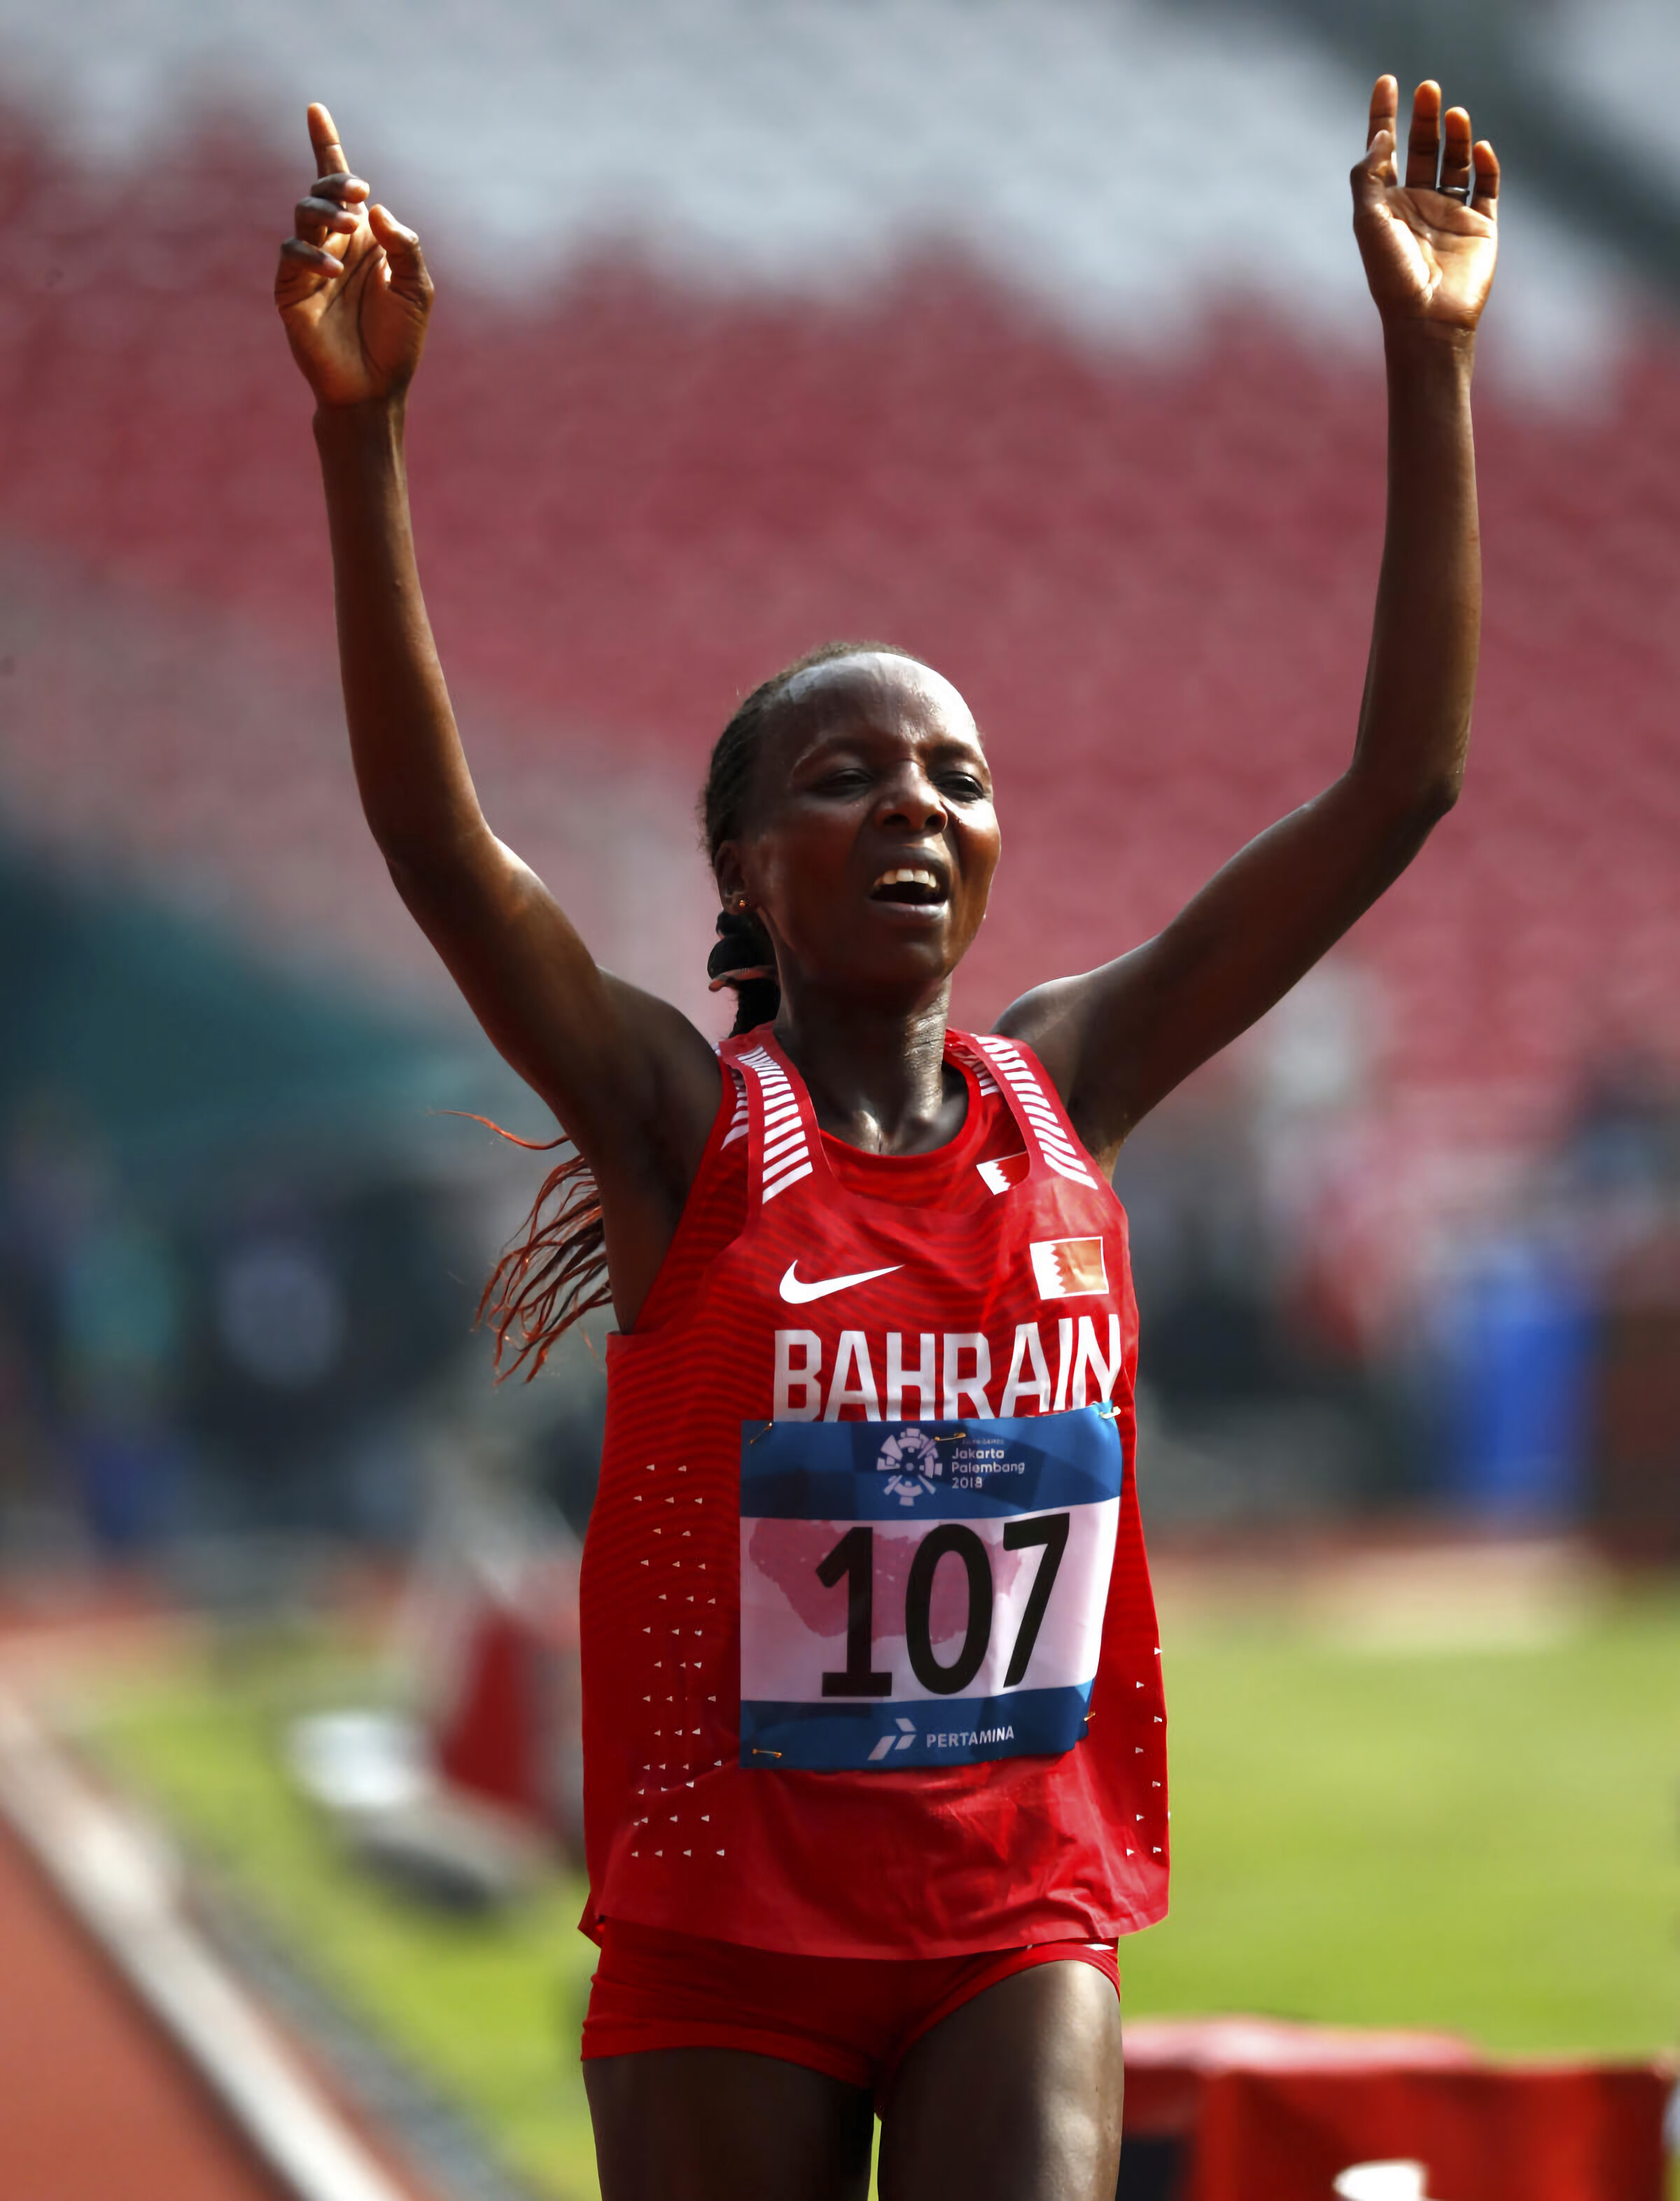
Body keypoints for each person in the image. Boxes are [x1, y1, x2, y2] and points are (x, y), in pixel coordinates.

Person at [275, 74, 1499, 2201]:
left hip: (1013, 1908)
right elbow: (443, 854)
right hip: (726, 1938)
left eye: (956, 774)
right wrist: (360, 437)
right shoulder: (688, 1131)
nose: (917, 807)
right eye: (846, 777)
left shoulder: (1068, 1082)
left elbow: (1399, 784)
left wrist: (1432, 358)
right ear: (745, 871)